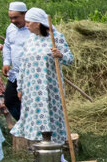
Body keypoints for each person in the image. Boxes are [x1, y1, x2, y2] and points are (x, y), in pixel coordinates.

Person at [10, 8, 74, 145]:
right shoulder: (30, 40)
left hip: (49, 87)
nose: (26, 25)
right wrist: (20, 87)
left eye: (28, 22)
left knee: (51, 116)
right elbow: (23, 66)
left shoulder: (55, 38)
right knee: (35, 116)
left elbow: (70, 59)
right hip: (31, 87)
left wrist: (60, 55)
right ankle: (39, 149)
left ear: (38, 23)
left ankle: (57, 151)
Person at [2, 1, 31, 120]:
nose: (13, 21)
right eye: (10, 18)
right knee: (9, 100)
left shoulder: (32, 29)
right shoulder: (11, 29)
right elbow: (7, 45)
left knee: (28, 101)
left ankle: (34, 126)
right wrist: (6, 62)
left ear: (25, 14)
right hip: (16, 72)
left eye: (15, 17)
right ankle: (24, 122)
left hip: (30, 73)